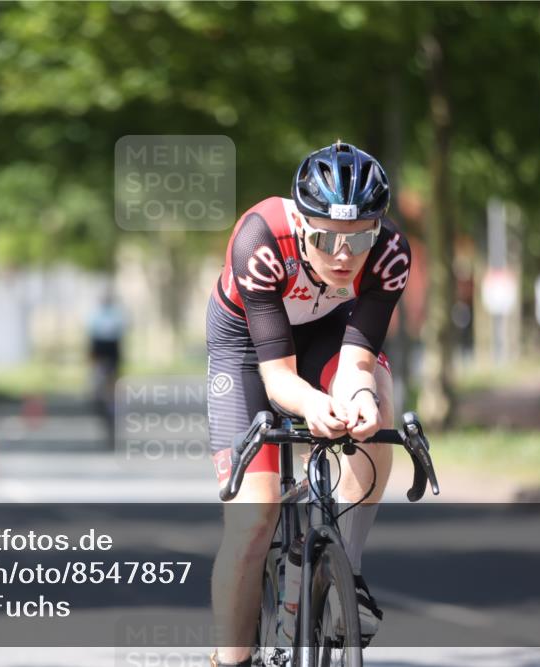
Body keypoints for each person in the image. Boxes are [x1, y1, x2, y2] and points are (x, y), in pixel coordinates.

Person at [206, 142, 411, 666]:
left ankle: (348, 571)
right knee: (254, 519)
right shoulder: (260, 239)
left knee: (378, 409)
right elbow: (278, 379)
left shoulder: (389, 255)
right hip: (247, 346)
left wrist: (359, 402)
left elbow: (358, 364)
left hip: (327, 332)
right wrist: (315, 406)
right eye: (326, 238)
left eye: (359, 237)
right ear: (300, 222)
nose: (344, 256)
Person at [87, 289, 126, 448]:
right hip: (103, 355)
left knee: (108, 388)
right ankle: (105, 406)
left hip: (109, 355)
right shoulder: (99, 316)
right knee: (102, 386)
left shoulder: (113, 315)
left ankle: (110, 410)